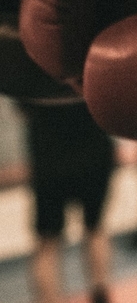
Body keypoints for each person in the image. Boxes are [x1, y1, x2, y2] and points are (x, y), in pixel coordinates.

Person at [20, 97, 116, 303]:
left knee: (48, 239)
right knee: (95, 226)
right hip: (92, 150)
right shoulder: (88, 65)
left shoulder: (30, 68)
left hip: (49, 153)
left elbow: (22, 107)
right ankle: (101, 295)